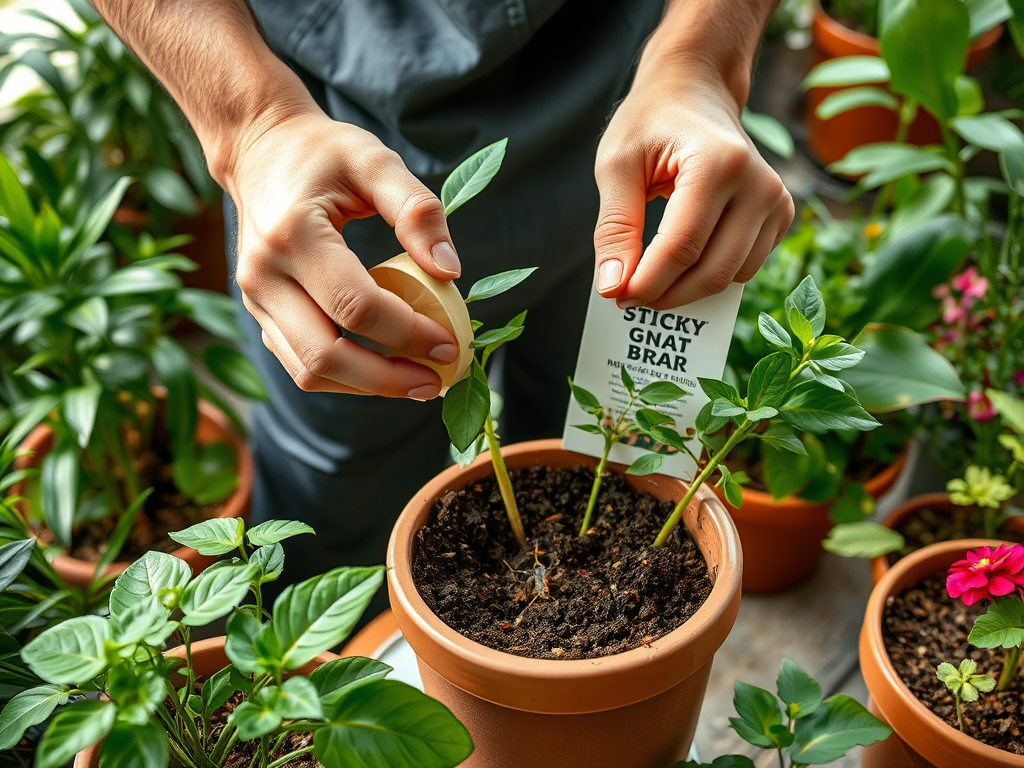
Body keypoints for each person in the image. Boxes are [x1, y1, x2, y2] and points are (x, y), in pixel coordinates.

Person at [92, 0, 794, 607]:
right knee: (342, 524)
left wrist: (703, 57)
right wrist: (251, 123)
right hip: (336, 162)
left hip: (639, 123)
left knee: (613, 491)